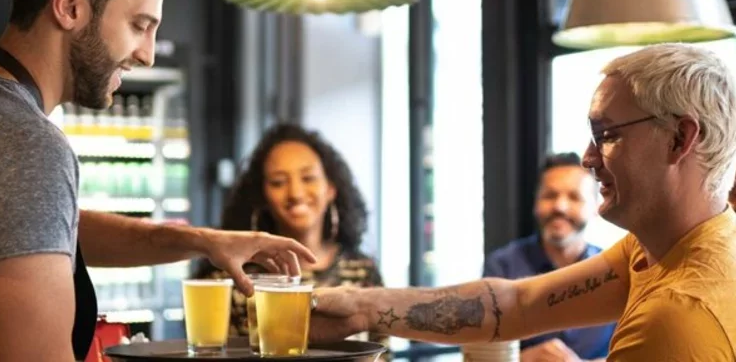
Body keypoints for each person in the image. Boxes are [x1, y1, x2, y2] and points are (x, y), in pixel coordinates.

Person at [0, 0, 316, 361]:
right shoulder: (26, 144)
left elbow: (40, 227)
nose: (148, 55)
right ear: (70, 6)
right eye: (139, 25)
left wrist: (204, 241)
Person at [309, 43, 736, 361]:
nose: (588, 158)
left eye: (607, 135)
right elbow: (517, 306)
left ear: (680, 138)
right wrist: (361, 307)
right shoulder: (664, 249)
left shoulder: (677, 318)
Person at [194, 123, 386, 343]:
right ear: (263, 196)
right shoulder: (233, 278)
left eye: (308, 178)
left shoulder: (364, 272)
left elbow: (382, 354)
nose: (295, 193)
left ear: (331, 188)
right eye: (278, 182)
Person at [483, 152, 614, 361]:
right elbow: (481, 351)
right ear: (536, 203)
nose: (559, 207)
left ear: (595, 208)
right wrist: (521, 359)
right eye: (550, 195)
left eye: (574, 197)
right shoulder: (502, 267)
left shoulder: (614, 269)